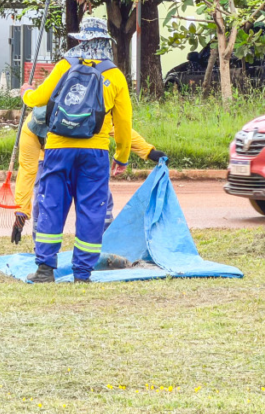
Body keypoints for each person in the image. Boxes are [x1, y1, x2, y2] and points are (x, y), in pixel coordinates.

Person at [19, 16, 133, 283]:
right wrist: (122, 156)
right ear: (105, 42)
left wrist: (25, 92)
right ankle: (82, 274)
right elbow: (124, 122)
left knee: (52, 205)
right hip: (95, 153)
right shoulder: (114, 75)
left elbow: (37, 99)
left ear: (81, 39)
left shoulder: (64, 65)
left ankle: (45, 270)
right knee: (92, 209)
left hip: (58, 149)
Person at [10, 106, 165, 243]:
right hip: (49, 160)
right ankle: (43, 252)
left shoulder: (81, 114)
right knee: (44, 200)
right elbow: (27, 171)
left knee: (98, 199)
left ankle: (106, 242)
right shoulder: (30, 128)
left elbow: (118, 129)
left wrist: (148, 151)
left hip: (81, 153)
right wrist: (21, 212)